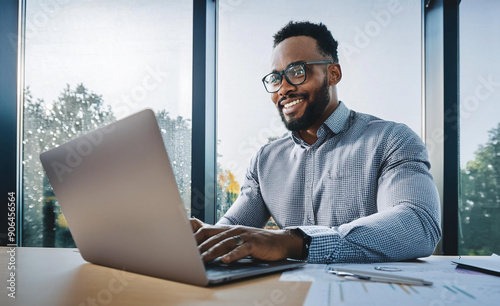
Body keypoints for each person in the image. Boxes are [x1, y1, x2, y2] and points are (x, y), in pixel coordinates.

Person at [191, 21, 441, 264]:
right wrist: (201, 237)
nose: (284, 89)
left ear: (333, 74)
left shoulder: (391, 140)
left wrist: (293, 242)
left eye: (297, 72)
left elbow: (418, 224)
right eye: (276, 79)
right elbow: (232, 234)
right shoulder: (264, 161)